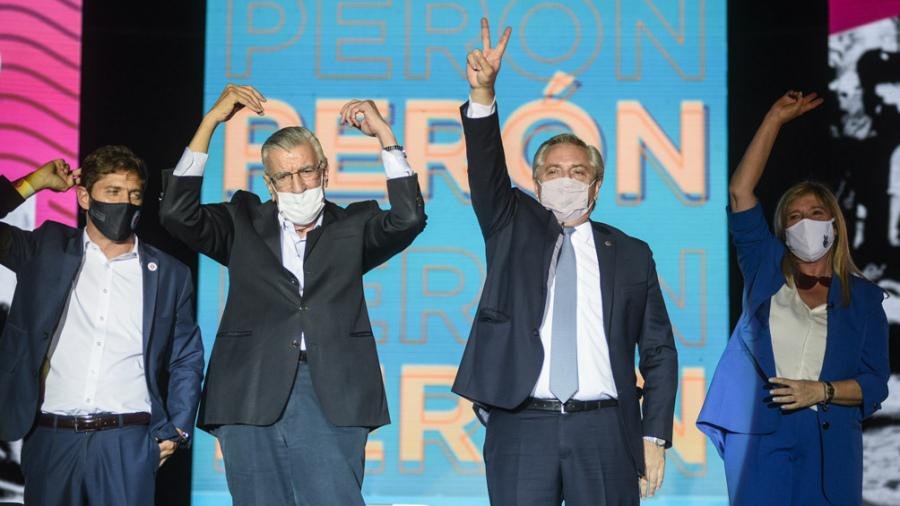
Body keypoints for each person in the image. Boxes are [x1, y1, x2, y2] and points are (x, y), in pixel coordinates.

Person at [159, 85, 426, 506]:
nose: (298, 185)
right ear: (269, 182)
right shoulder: (241, 222)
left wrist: (385, 135)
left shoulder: (352, 226)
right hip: (250, 387)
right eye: (284, 176)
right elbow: (177, 214)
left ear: (325, 171)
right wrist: (210, 122)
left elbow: (409, 218)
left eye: (306, 172)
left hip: (331, 387)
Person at [451, 19, 678, 505]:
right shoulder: (511, 228)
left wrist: (654, 435)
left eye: (577, 172)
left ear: (596, 186)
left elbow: (659, 351)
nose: (565, 181)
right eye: (553, 172)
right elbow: (486, 169)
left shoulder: (632, 254)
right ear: (536, 184)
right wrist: (483, 95)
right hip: (522, 425)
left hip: (606, 430)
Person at [697, 91, 891, 505]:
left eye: (816, 214)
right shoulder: (765, 267)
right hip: (760, 430)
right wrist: (774, 119)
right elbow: (740, 191)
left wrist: (821, 391)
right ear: (783, 231)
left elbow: (875, 382)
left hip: (828, 438)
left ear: (834, 224)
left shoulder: (863, 299)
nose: (805, 223)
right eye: (795, 216)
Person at [0, 148, 204, 505]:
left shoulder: (170, 273)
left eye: (134, 194)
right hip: (52, 437)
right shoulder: (45, 249)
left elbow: (186, 356)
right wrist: (34, 183)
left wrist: (178, 429)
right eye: (113, 192)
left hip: (127, 442)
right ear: (84, 197)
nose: (125, 203)